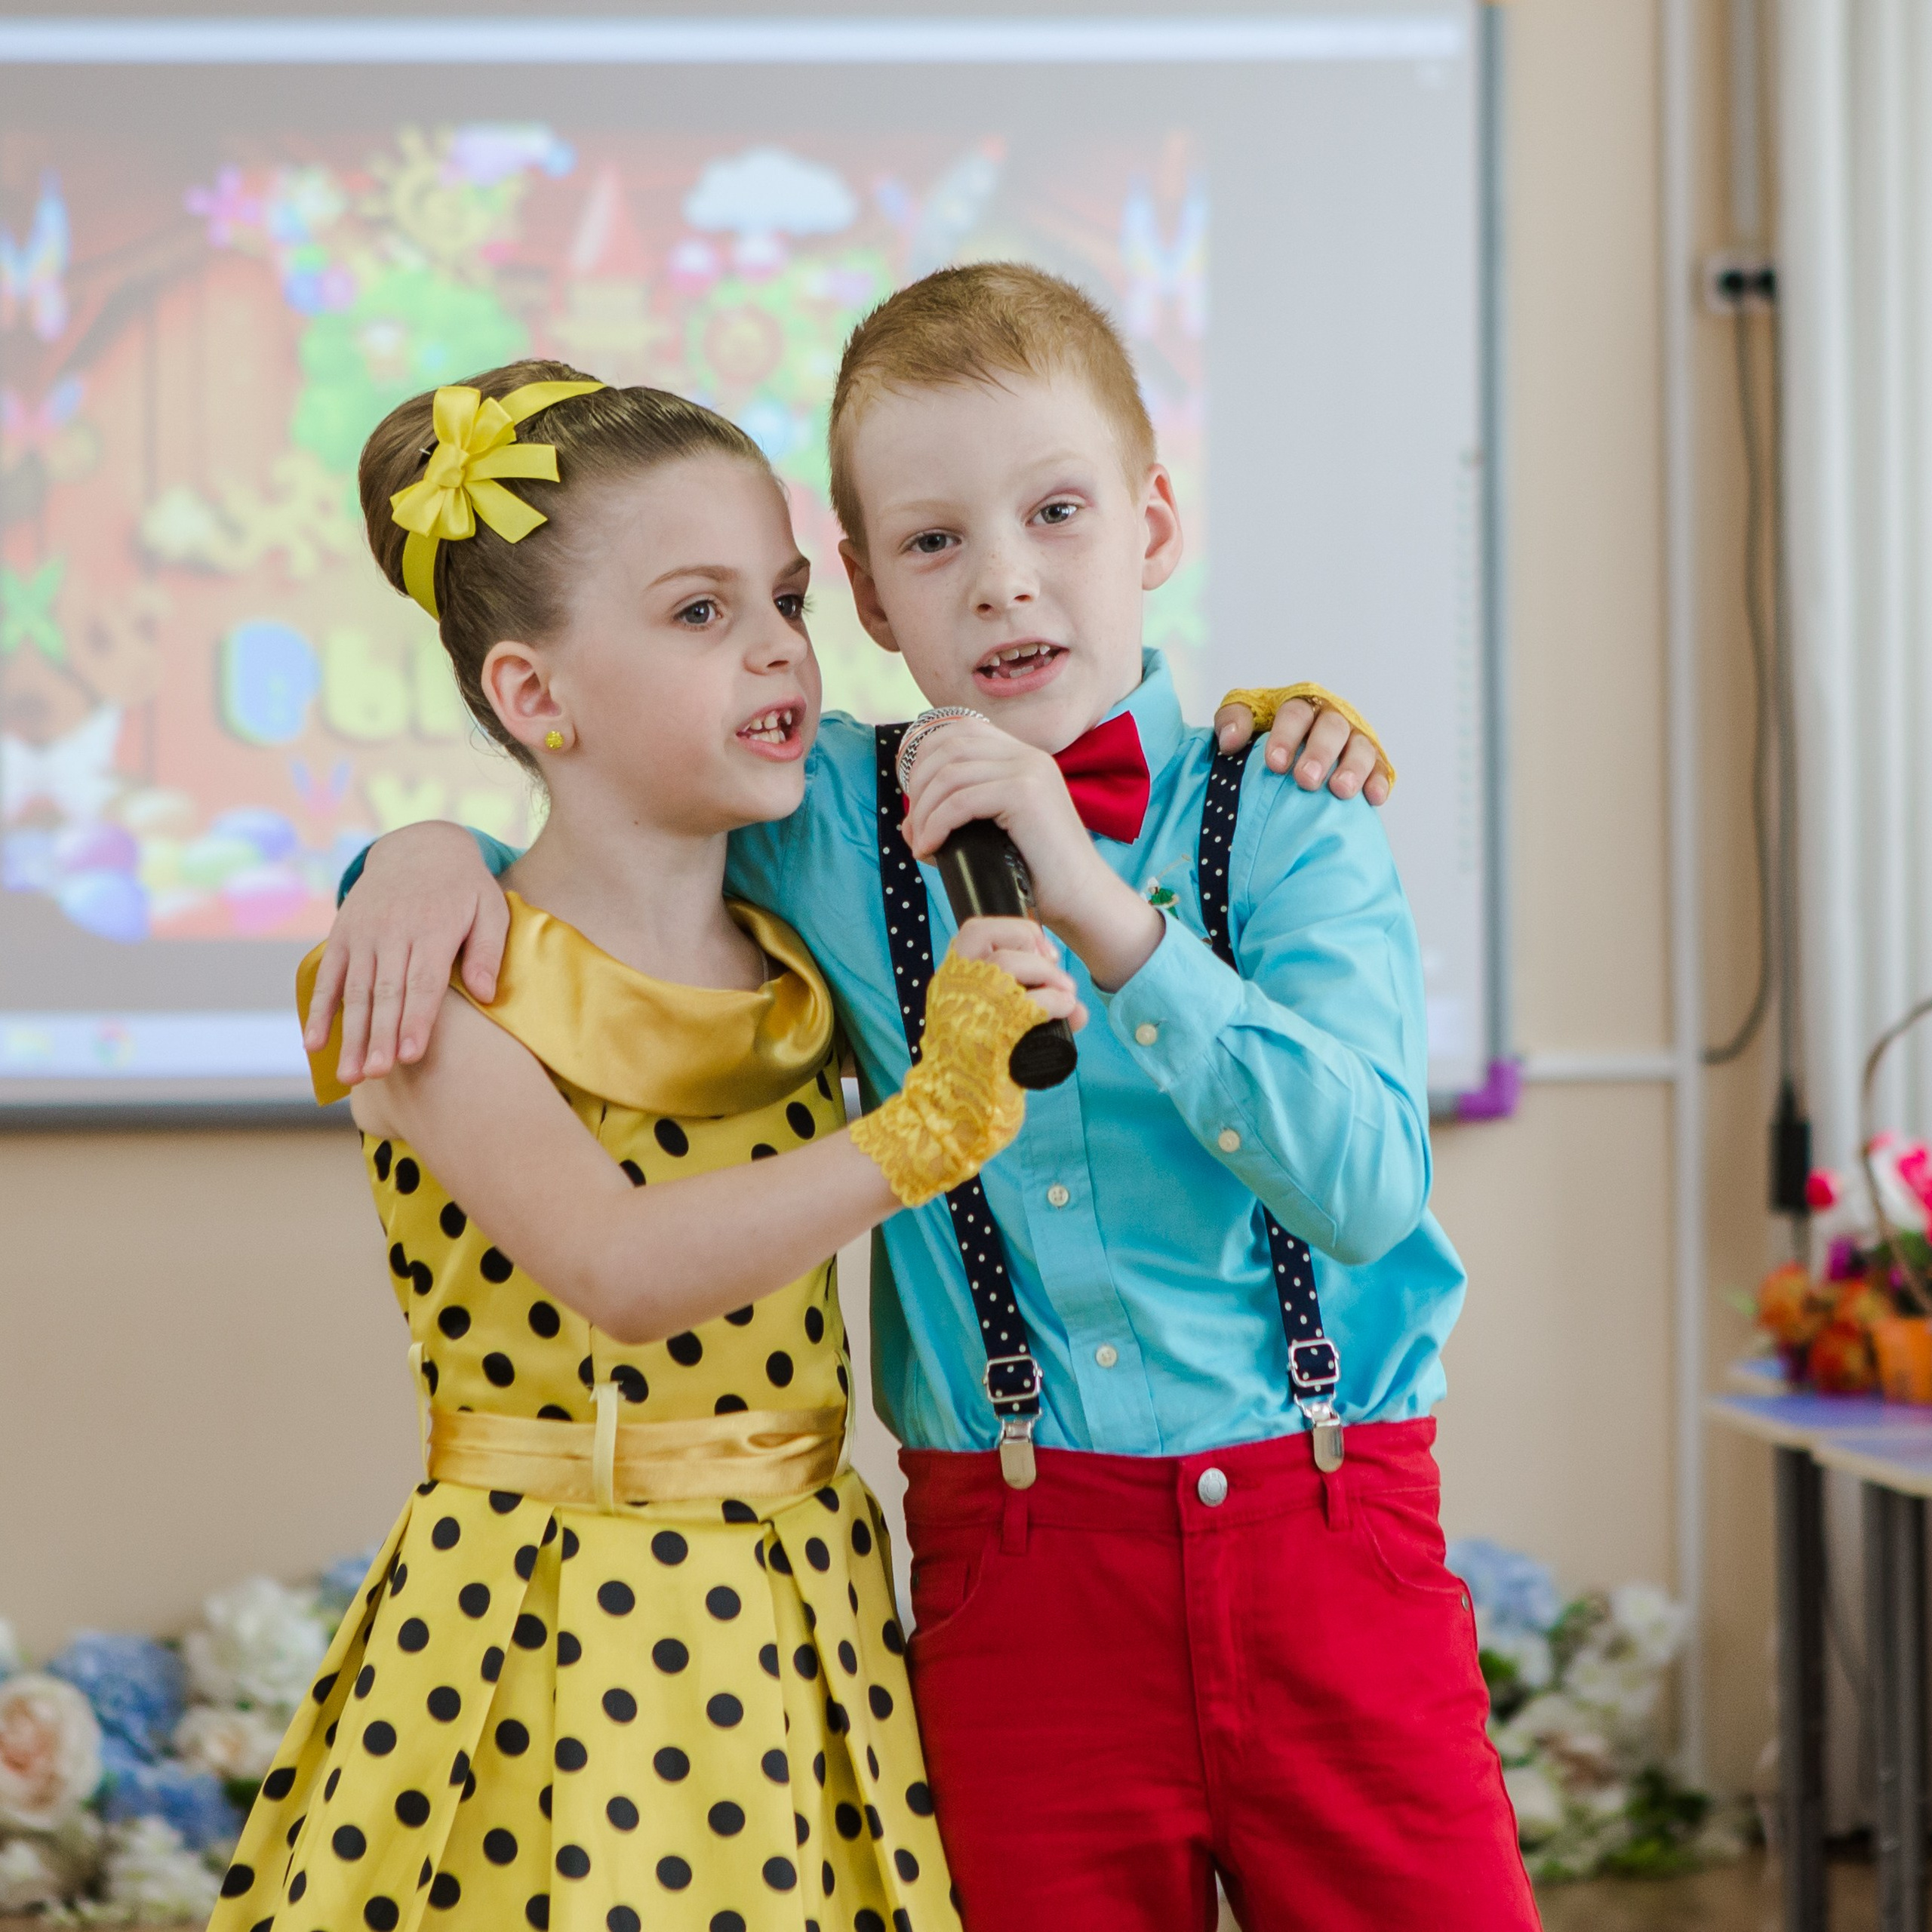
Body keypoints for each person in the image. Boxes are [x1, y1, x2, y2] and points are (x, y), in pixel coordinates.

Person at [309, 264, 1534, 1931]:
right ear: (871, 597)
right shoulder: (811, 808)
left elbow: (1369, 1184)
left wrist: (1105, 916)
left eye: (1054, 513)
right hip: (1014, 1569)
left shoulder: (1293, 808)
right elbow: (597, 781)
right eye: (932, 542)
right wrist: (409, 855)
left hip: (1334, 1532)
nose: (1006, 580)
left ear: (1151, 523)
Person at [208, 368, 1088, 1932]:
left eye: (790, 599)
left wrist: (1262, 725)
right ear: (536, 699)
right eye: (698, 613)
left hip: (796, 1615)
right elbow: (620, 1268)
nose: (774, 649)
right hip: (543, 1625)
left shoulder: (802, 961)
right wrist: (926, 1126)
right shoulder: (437, 986)